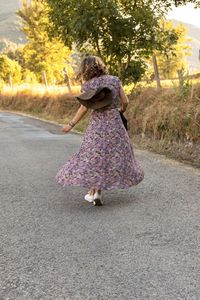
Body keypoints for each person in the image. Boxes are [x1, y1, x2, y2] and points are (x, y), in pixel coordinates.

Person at [55, 56, 144, 206]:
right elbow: (126, 101)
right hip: (115, 125)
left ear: (85, 69)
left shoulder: (88, 86)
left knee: (94, 156)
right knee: (111, 157)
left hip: (97, 127)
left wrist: (70, 125)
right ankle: (96, 192)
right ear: (101, 66)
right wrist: (120, 110)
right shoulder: (114, 80)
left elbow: (84, 108)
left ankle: (95, 192)